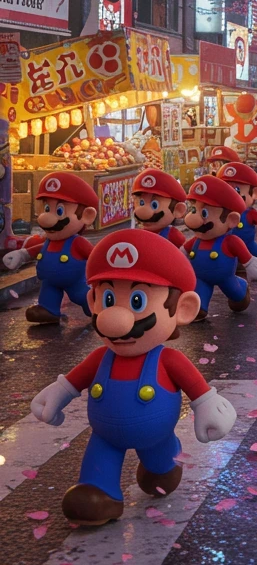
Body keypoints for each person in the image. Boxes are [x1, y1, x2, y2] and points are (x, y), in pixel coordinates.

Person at [29, 230, 237, 527]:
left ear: (182, 309)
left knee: (159, 470)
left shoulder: (168, 360)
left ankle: (164, 463)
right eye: (108, 298)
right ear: (92, 301)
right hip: (105, 435)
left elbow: (197, 389)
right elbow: (74, 381)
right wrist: (57, 394)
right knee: (95, 476)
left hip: (156, 436)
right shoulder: (100, 358)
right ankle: (99, 492)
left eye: (137, 300)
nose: (114, 318)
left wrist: (207, 405)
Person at [2, 173, 98, 324]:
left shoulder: (77, 243)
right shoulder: (48, 241)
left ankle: (96, 309)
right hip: (49, 282)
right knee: (48, 294)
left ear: (87, 215)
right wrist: (23, 254)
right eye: (47, 208)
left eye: (59, 211)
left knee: (82, 296)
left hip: (74, 283)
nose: (46, 218)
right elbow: (38, 249)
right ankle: (49, 310)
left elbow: (95, 257)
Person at [183, 177, 257, 320]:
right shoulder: (196, 240)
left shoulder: (230, 241)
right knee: (199, 298)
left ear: (231, 220)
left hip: (225, 277)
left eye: (204, 213)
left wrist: (250, 264)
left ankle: (241, 287)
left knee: (237, 298)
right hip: (201, 278)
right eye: (193, 209)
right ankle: (200, 307)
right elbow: (183, 251)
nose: (193, 217)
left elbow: (242, 252)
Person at [218, 162, 257, 267]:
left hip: (247, 243)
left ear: (255, 193)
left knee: (253, 252)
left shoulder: (249, 213)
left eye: (236, 190)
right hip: (227, 245)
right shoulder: (222, 213)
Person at [131, 169, 188, 250]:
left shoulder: (172, 235)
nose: (142, 210)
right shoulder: (141, 234)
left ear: (178, 210)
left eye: (154, 205)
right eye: (141, 203)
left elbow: (181, 255)